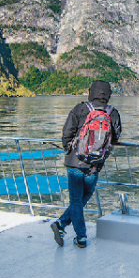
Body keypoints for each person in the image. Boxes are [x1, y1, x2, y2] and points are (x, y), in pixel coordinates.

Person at [51, 80, 122, 249]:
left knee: (76, 200)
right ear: (108, 94)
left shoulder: (80, 108)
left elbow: (67, 133)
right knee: (84, 196)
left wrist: (69, 148)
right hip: (95, 164)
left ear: (91, 92)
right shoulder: (112, 113)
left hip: (75, 162)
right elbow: (116, 138)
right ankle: (72, 230)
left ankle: (70, 230)